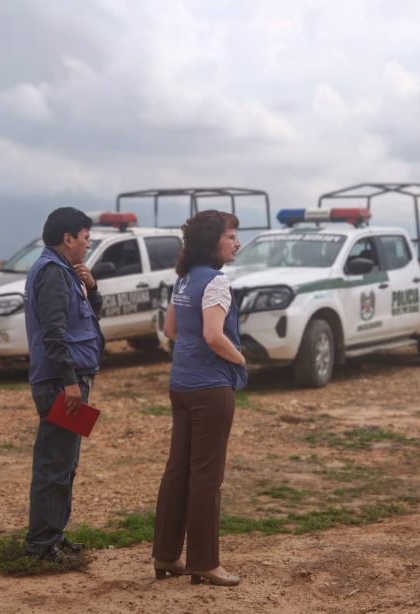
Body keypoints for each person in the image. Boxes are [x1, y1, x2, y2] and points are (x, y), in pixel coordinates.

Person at [152, 209, 247, 587]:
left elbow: (171, 329)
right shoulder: (217, 283)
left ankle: (166, 555)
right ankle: (205, 563)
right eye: (230, 235)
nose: (236, 242)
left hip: (181, 384)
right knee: (207, 476)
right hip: (211, 389)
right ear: (213, 242)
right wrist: (241, 358)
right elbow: (213, 335)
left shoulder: (184, 280)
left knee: (178, 471)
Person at [23, 207, 104, 562]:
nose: (88, 245)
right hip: (61, 383)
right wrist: (70, 383)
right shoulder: (53, 274)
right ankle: (42, 544)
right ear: (68, 238)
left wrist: (91, 287)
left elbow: (87, 320)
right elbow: (53, 333)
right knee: (55, 463)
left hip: (69, 380)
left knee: (65, 463)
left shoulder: (67, 273)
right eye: (86, 238)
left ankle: (54, 535)